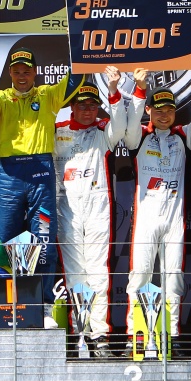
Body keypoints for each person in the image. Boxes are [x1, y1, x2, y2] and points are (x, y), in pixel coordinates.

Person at [124, 62, 191, 351]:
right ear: (149, 111)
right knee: (140, 277)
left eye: (169, 109)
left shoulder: (183, 136)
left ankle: (171, 337)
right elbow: (129, 123)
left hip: (173, 222)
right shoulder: (138, 137)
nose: (165, 114)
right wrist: (140, 89)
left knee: (174, 280)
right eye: (159, 110)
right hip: (145, 220)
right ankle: (137, 337)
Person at [0, 49, 84, 320]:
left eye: (27, 71)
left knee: (45, 240)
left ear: (34, 72)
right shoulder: (0, 96)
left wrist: (82, 48)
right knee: (5, 236)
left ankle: (46, 306)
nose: (22, 76)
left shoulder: (47, 95)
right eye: (17, 71)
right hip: (10, 173)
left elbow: (76, 79)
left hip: (40, 171)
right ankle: (2, 304)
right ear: (10, 73)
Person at [53, 71, 125, 356]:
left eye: (93, 106)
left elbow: (120, 126)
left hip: (97, 206)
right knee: (75, 274)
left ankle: (100, 337)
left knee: (98, 273)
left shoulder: (103, 131)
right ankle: (79, 335)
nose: (87, 110)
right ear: (72, 106)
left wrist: (114, 89)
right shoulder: (55, 129)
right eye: (82, 105)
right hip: (66, 207)